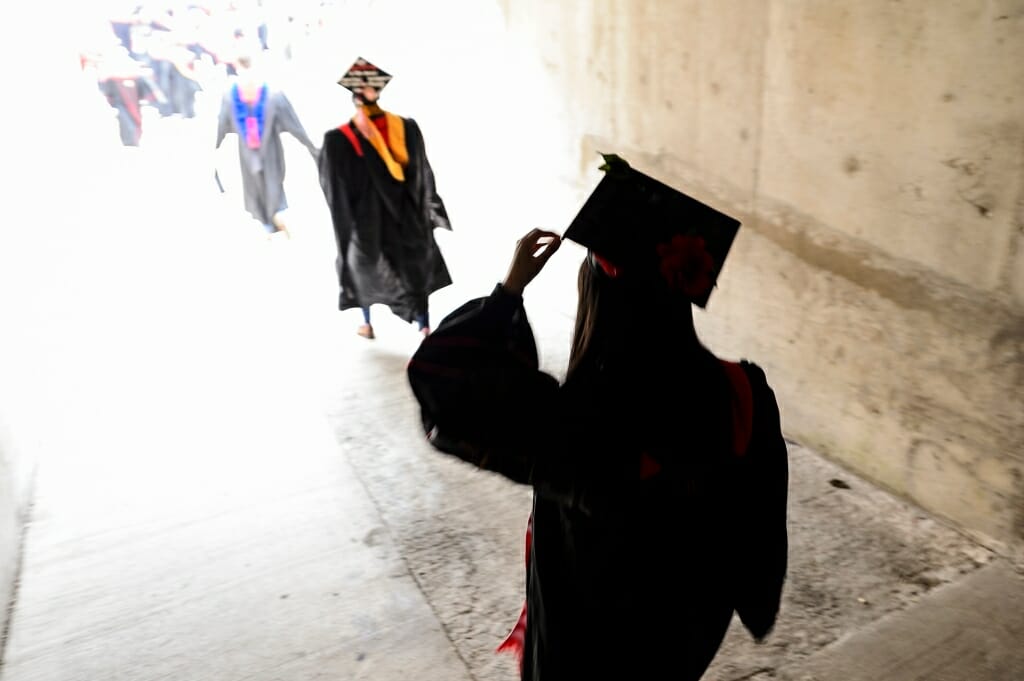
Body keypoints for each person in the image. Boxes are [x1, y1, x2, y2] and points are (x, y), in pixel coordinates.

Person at [407, 155, 789, 680]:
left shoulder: (576, 425)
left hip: (589, 645)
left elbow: (444, 382)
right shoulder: (744, 391)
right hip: (683, 632)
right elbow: (760, 518)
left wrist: (508, 291)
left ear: (598, 300)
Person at [318, 57, 452, 339]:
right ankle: (424, 326)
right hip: (408, 217)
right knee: (413, 269)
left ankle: (367, 323)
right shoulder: (406, 127)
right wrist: (428, 208)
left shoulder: (339, 139)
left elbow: (336, 192)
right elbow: (423, 174)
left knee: (362, 269)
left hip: (368, 223)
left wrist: (346, 228)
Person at [215, 49, 318, 238]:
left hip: (255, 146)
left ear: (236, 66)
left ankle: (267, 220)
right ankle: (272, 216)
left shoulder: (234, 94)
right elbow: (296, 126)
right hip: (264, 146)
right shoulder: (270, 93)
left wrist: (213, 152)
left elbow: (221, 126)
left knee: (257, 184)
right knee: (269, 181)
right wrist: (314, 151)